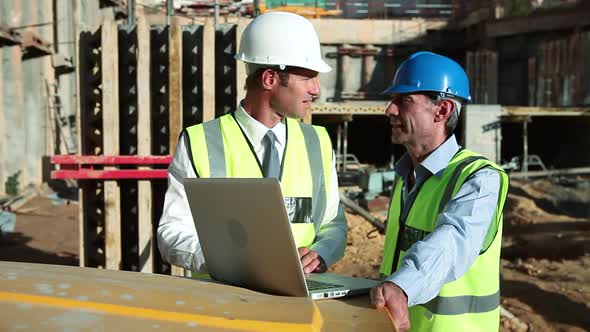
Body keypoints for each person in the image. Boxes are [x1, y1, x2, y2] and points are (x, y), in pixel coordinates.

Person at [157, 12, 347, 277]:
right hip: (223, 305)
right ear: (270, 79)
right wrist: (223, 261)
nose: (316, 90)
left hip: (298, 303)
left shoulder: (318, 142)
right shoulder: (199, 142)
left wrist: (322, 253)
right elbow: (172, 232)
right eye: (307, 78)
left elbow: (332, 223)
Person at [370, 51, 509, 332]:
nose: (390, 110)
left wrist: (402, 287)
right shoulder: (405, 175)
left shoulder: (479, 179)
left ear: (442, 110)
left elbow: (454, 239)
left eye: (404, 100)